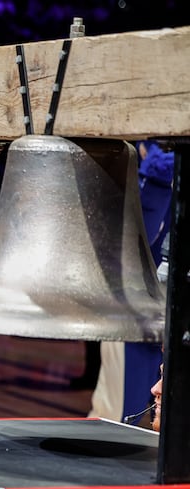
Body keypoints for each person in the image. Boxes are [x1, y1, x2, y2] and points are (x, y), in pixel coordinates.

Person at [87, 140, 172, 424]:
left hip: (168, 313)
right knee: (117, 420)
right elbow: (135, 241)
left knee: (161, 420)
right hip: (133, 310)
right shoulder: (154, 167)